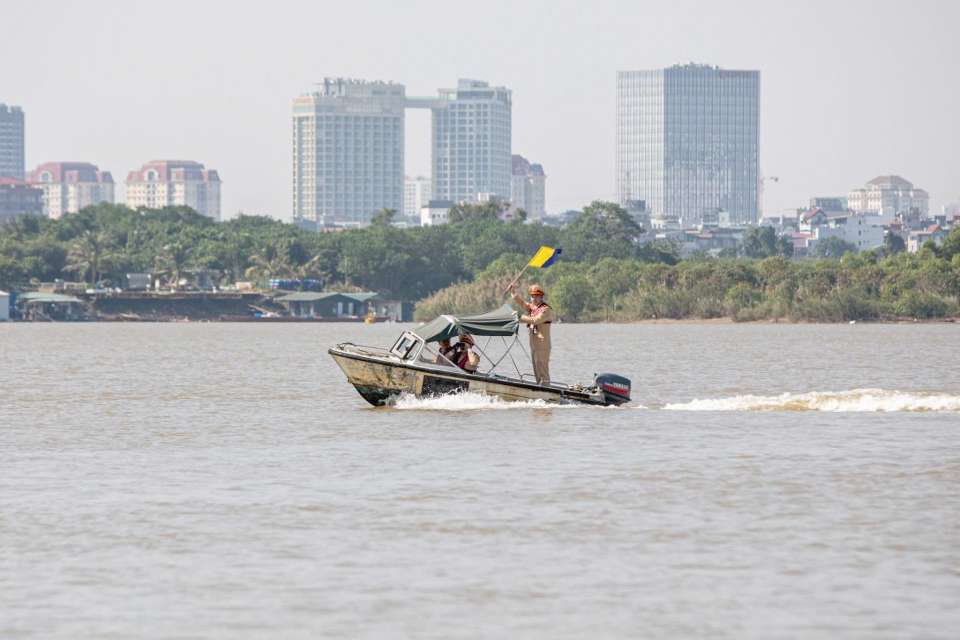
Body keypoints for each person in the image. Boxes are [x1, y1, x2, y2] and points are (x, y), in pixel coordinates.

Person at [509, 283, 552, 384]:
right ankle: (539, 388)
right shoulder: (533, 308)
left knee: (542, 369)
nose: (534, 298)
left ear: (541, 297)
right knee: (536, 368)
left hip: (542, 345)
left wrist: (520, 316)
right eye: (532, 296)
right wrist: (513, 292)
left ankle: (546, 390)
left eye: (537, 296)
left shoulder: (545, 309)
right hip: (534, 344)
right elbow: (522, 303)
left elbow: (535, 320)